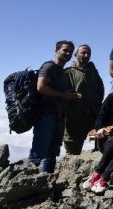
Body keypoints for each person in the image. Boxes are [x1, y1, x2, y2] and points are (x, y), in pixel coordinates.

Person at [29, 40, 79, 173]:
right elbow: (41, 87)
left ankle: (46, 184)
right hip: (46, 115)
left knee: (52, 152)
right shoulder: (49, 67)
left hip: (59, 116)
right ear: (57, 51)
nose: (68, 53)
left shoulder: (61, 71)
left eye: (70, 51)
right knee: (40, 150)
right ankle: (29, 181)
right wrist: (64, 95)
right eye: (65, 50)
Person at [64, 44, 105, 155]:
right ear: (76, 54)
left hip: (91, 115)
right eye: (83, 53)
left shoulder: (93, 72)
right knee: (72, 146)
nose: (86, 55)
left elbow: (100, 90)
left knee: (96, 139)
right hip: (74, 116)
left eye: (88, 53)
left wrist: (96, 105)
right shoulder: (68, 72)